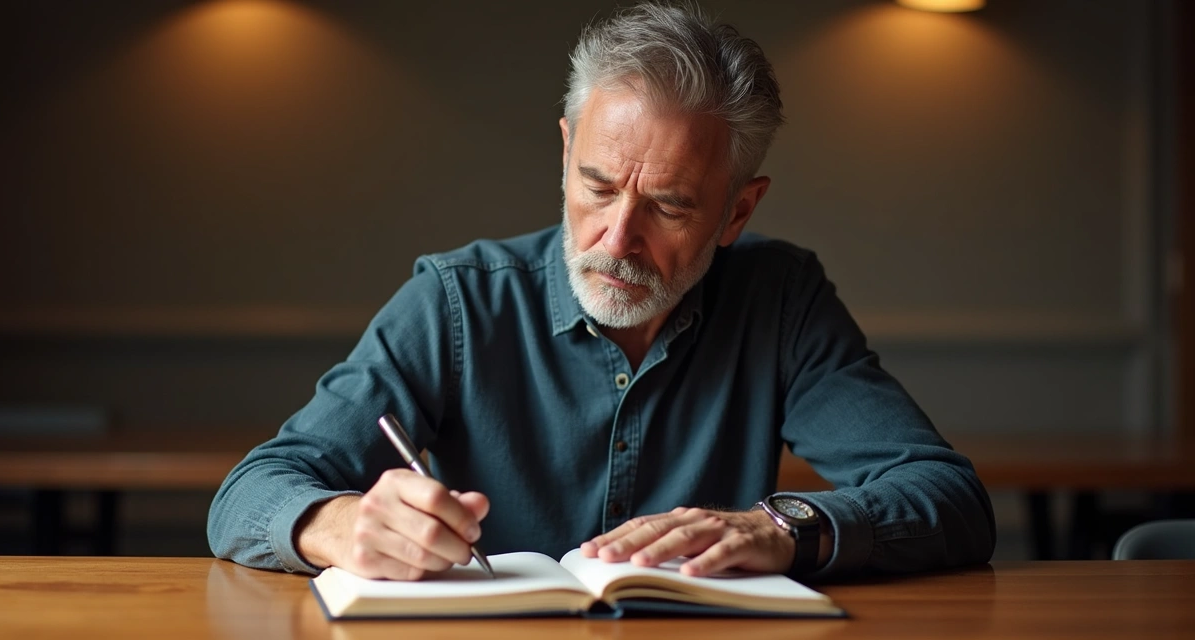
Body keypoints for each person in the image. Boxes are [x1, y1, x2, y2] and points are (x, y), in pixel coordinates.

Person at [208, 2, 995, 582]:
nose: (616, 240)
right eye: (596, 187)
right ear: (564, 155)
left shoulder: (780, 299)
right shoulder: (454, 302)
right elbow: (248, 495)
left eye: (670, 206)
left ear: (737, 210)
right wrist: (338, 524)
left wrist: (788, 527)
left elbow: (949, 497)